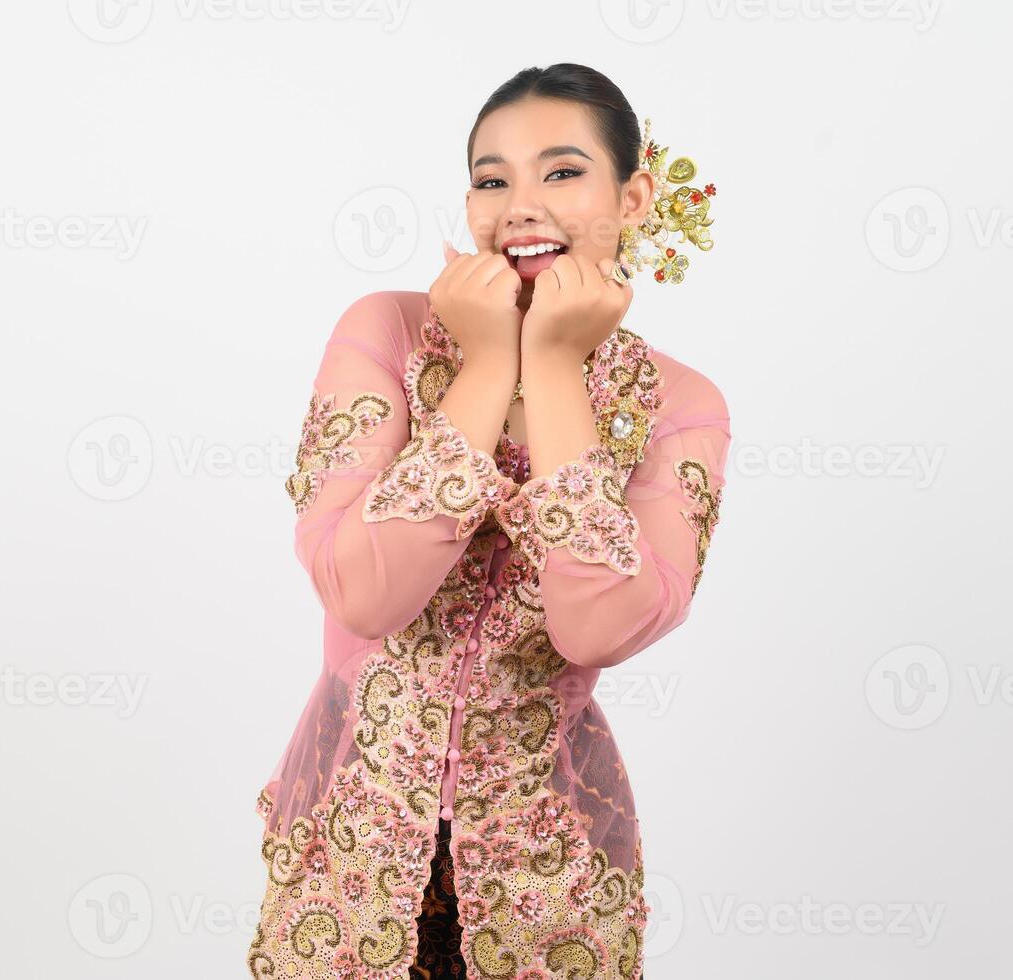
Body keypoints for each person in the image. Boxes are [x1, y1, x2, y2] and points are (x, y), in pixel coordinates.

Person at [247, 62, 730, 980]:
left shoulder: (681, 403)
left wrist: (550, 369)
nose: (518, 204)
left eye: (560, 172)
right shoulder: (384, 333)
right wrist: (480, 367)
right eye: (490, 178)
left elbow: (596, 623)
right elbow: (363, 593)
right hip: (348, 843)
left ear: (632, 197)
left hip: (550, 868)